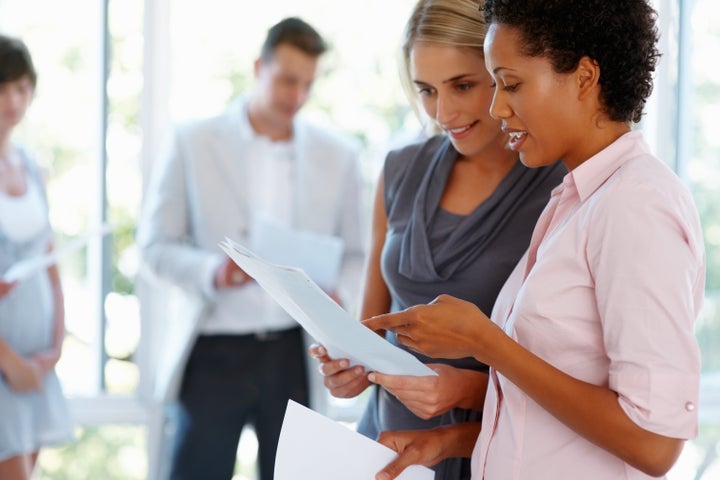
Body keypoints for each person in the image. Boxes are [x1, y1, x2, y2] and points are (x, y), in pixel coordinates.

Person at [363, 1, 706, 479]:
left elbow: (654, 444)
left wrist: (486, 342)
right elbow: (549, 417)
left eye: (512, 84)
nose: (498, 106)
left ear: (585, 77)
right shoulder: (574, 200)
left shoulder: (636, 206)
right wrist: (448, 442)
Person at [309, 1, 564, 478]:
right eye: (426, 90)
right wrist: (351, 368)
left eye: (462, 86)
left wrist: (468, 389)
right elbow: (371, 329)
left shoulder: (558, 185)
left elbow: (573, 386)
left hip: (497, 452)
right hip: (386, 452)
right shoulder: (400, 170)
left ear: (502, 71)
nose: (444, 113)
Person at [137, 17, 365, 480]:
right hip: (212, 352)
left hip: (292, 352)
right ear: (259, 67)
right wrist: (213, 272)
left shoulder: (339, 155)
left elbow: (358, 254)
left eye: (307, 84)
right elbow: (153, 247)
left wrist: (339, 298)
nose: (295, 96)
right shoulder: (192, 141)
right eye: (286, 80)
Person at [0, 34, 74, 480]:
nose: (13, 99)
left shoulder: (29, 164)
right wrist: (10, 362)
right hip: (7, 367)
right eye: (3, 86)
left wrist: (54, 351)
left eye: (23, 87)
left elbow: (51, 265)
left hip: (34, 367)